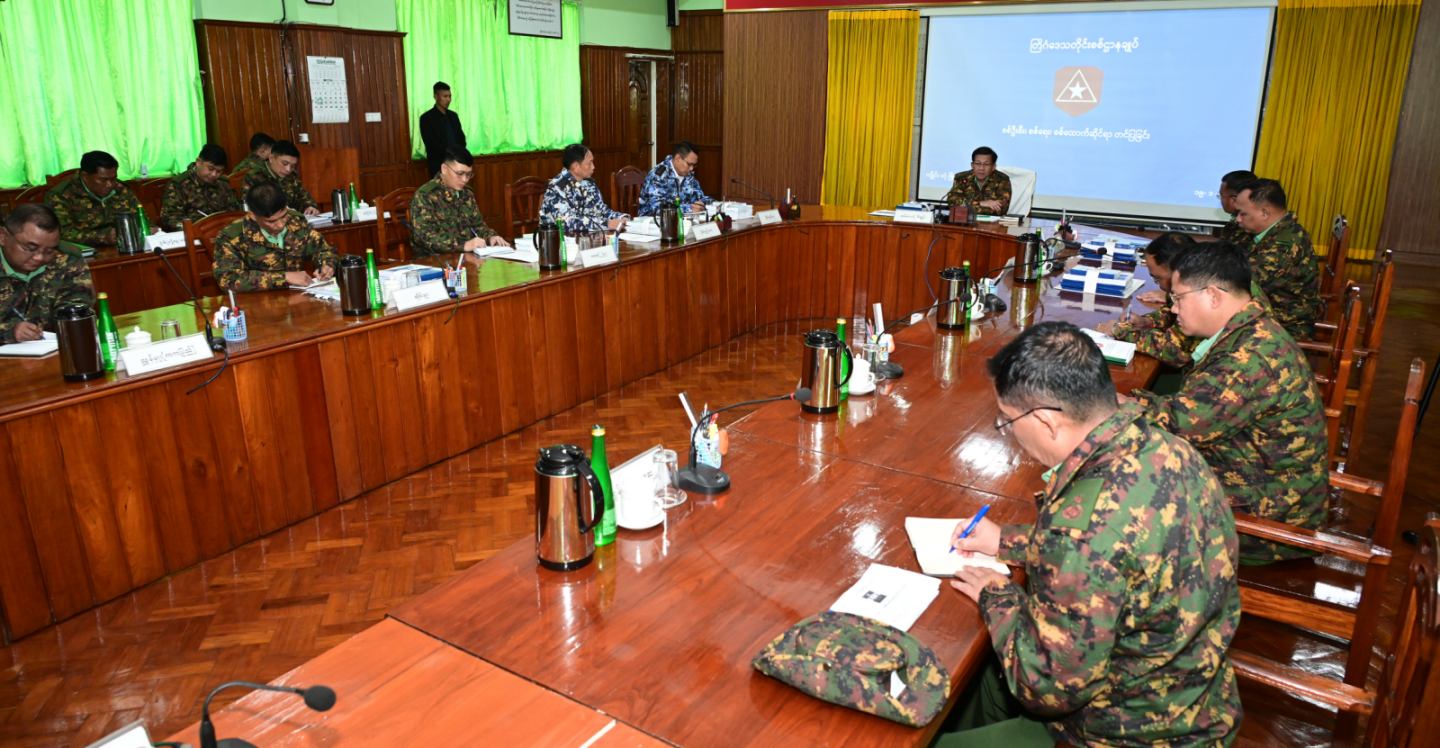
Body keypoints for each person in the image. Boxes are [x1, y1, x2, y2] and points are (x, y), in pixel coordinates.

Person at [937, 321, 1240, 746]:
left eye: (1007, 420)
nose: (1009, 432)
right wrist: (1005, 541)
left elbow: (1045, 690)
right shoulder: (1168, 448)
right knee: (984, 681)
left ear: (1046, 421)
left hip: (1128, 732)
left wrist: (997, 594)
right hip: (1198, 696)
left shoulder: (1080, 532)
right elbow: (1124, 551)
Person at [1124, 242, 1326, 564]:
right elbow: (1194, 411)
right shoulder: (1249, 329)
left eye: (1178, 299)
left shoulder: (1250, 357)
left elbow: (1181, 426)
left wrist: (1116, 404)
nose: (1173, 309)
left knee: (1117, 495)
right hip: (1252, 477)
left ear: (1213, 296)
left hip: (1263, 521)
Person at [1233, 178, 1320, 341]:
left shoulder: (1283, 244)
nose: (1237, 219)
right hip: (1268, 317)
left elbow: (1242, 284)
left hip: (1283, 329)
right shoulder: (1278, 232)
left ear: (1265, 213)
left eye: (1243, 213)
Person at [212, 182, 337, 291]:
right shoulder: (231, 236)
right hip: (257, 303)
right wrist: (284, 278)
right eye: (271, 221)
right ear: (253, 215)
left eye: (284, 216)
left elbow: (323, 249)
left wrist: (327, 265)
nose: (281, 225)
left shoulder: (296, 221)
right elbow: (228, 279)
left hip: (298, 297)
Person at [0, 204, 96, 343]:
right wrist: (8, 333)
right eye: (30, 248)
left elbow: (77, 311)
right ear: (3, 236)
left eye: (49, 251)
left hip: (54, 347)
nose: (39, 257)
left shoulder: (68, 261)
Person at [409, 148, 510, 257]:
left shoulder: (466, 193)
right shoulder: (425, 195)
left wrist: (491, 237)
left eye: (468, 174)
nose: (464, 179)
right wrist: (463, 245)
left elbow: (478, 226)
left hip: (467, 257)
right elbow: (424, 237)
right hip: (435, 260)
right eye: (460, 173)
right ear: (444, 169)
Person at [44, 150, 146, 246]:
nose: (110, 184)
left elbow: (142, 219)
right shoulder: (60, 195)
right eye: (103, 180)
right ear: (85, 176)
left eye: (113, 178)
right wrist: (102, 237)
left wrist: (147, 229)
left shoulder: (121, 189)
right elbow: (60, 233)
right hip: (82, 252)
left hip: (124, 246)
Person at [540, 144, 628, 233]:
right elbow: (567, 223)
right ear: (576, 166)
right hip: (559, 239)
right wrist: (606, 224)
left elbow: (601, 210)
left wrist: (622, 218)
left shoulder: (589, 183)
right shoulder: (557, 187)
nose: (593, 167)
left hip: (588, 237)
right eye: (589, 163)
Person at [159, 144, 241, 231]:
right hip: (193, 233)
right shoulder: (179, 184)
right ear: (198, 162)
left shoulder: (223, 183)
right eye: (210, 168)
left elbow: (234, 211)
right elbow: (169, 217)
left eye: (219, 171)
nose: (214, 174)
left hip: (222, 231)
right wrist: (193, 229)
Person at [243, 140, 319, 216]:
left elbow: (303, 196)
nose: (288, 169)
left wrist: (310, 207)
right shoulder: (253, 176)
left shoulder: (291, 175)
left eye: (293, 166)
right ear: (271, 158)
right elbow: (251, 208)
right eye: (284, 163)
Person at [637, 141, 712, 216]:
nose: (691, 168)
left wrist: (710, 203)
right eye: (689, 164)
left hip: (683, 218)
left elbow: (699, 197)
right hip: (653, 220)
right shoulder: (658, 175)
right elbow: (657, 208)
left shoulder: (688, 174)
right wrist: (689, 209)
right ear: (678, 158)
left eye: (694, 165)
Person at [943, 147, 1011, 215]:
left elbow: (1001, 209)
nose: (981, 168)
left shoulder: (1002, 179)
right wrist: (981, 203)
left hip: (992, 221)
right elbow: (952, 202)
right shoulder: (962, 178)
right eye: (978, 163)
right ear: (972, 165)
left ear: (993, 167)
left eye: (986, 164)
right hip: (964, 221)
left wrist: (967, 206)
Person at [419, 81, 467, 178]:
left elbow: (461, 139)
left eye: (450, 96)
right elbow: (431, 144)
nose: (448, 99)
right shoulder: (426, 118)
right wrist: (450, 157)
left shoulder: (453, 116)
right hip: (438, 165)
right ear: (436, 96)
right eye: (445, 96)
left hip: (457, 164)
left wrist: (459, 157)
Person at [1216, 170, 1255, 247]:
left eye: (1221, 195)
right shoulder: (1235, 219)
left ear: (1233, 199)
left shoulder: (1247, 225)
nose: (1220, 200)